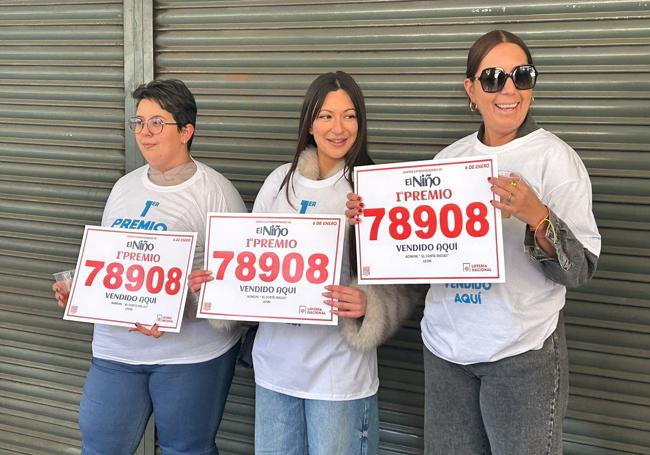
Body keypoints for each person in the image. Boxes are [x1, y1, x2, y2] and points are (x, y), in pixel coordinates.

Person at [346, 31, 601, 454]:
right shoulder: (450, 159)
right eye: (493, 78)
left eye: (521, 76)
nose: (508, 89)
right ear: (471, 90)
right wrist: (374, 221)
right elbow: (417, 258)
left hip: (521, 352)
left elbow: (580, 269)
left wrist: (536, 215)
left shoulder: (555, 159)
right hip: (446, 349)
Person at [189, 71, 415, 455]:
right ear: (310, 122)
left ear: (361, 123)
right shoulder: (280, 180)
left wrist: (369, 304)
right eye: (326, 116)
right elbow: (249, 258)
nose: (337, 128)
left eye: (349, 116)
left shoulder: (374, 187)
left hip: (338, 375)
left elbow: (404, 281)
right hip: (275, 371)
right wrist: (215, 287)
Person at [52, 79, 246, 455]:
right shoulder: (124, 187)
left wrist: (179, 305)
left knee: (185, 450)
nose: (145, 133)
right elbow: (114, 262)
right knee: (101, 446)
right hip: (115, 351)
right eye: (139, 123)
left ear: (187, 131)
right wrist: (81, 289)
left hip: (188, 356)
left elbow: (236, 287)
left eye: (157, 123)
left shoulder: (216, 192)